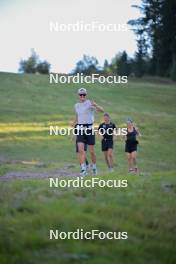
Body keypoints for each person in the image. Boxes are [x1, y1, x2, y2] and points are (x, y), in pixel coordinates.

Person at [74, 88, 104, 176]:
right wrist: (74, 123)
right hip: (80, 129)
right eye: (80, 95)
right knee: (80, 150)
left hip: (89, 129)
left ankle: (94, 167)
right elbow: (78, 116)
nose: (82, 96)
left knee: (91, 151)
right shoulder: (76, 105)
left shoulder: (89, 103)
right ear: (78, 96)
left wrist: (96, 105)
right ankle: (83, 169)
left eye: (84, 94)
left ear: (86, 95)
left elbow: (102, 110)